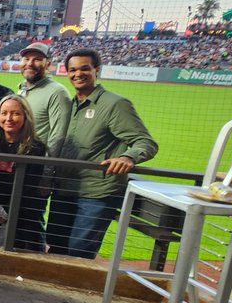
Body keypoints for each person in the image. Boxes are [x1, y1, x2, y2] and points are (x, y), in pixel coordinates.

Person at [47, 48, 158, 260]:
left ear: (97, 70)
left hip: (96, 193)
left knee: (79, 252)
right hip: (64, 188)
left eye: (84, 68)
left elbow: (146, 142)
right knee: (56, 246)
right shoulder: (70, 105)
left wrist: (128, 157)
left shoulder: (115, 104)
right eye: (72, 70)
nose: (78, 74)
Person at [0, 95, 48, 251]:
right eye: (4, 113)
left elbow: (28, 189)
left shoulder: (36, 147)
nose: (8, 118)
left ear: (26, 117)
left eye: (15, 113)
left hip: (14, 213)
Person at [16, 42, 71, 156]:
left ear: (48, 64)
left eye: (37, 59)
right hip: (18, 158)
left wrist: (46, 169)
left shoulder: (57, 92)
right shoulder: (22, 88)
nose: (30, 63)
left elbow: (58, 137)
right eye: (26, 59)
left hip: (36, 162)